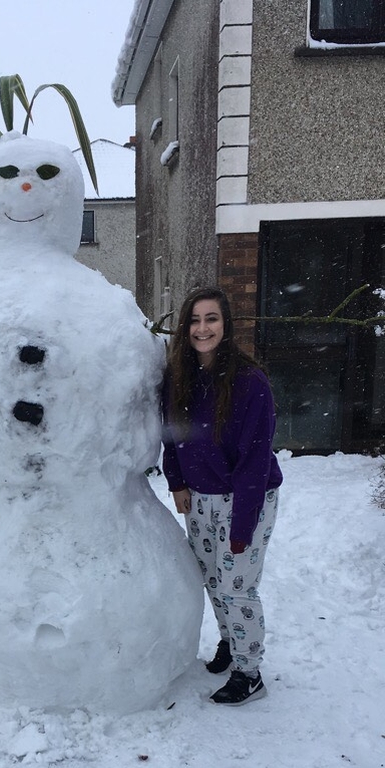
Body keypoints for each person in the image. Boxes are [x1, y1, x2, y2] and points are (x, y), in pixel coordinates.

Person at [161, 286, 283, 705]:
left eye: (211, 319)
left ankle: (250, 673)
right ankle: (232, 643)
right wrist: (176, 481)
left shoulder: (251, 384)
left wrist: (242, 524)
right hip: (199, 497)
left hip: (245, 498)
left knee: (237, 587)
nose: (202, 328)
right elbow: (171, 435)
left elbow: (255, 459)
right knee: (213, 580)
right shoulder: (179, 377)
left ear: (226, 325)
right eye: (194, 320)